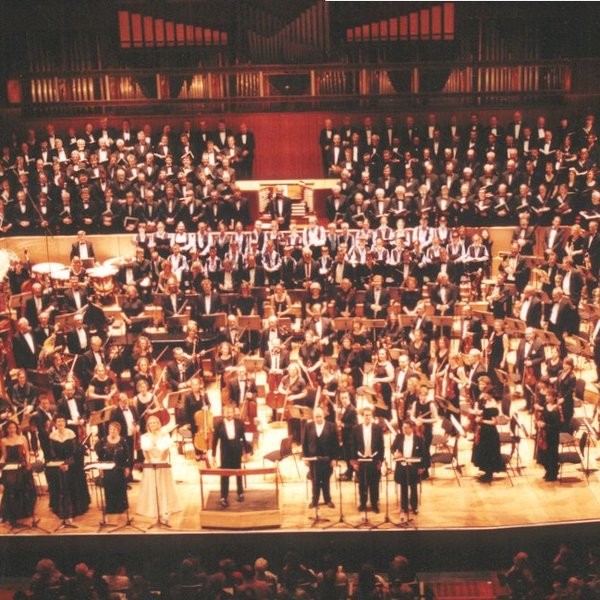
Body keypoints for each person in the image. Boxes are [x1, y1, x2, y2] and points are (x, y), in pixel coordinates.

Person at [137, 415, 180, 524]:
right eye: (150, 423)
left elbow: (166, 450)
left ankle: (166, 508)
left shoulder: (164, 435)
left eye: (154, 423)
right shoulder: (145, 436)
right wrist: (150, 461)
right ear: (148, 426)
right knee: (152, 485)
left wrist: (161, 461)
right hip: (150, 462)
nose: (152, 425)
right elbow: (145, 452)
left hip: (162, 462)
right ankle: (152, 508)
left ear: (158, 424)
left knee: (163, 485)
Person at [46, 415, 90, 523]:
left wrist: (67, 464)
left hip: (72, 464)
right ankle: (62, 510)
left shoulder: (71, 433)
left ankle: (73, 511)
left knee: (71, 479)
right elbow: (52, 453)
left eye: (62, 421)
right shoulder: (52, 435)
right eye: (58, 421)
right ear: (55, 423)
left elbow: (75, 452)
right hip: (58, 465)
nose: (60, 423)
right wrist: (60, 464)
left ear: (65, 423)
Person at [0, 421, 36, 527]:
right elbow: (4, 455)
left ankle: (23, 512)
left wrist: (28, 462)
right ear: (6, 429)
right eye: (9, 428)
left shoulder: (22, 438)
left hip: (21, 465)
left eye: (13, 428)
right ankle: (10, 514)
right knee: (10, 487)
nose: (11, 430)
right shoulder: (3, 440)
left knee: (22, 486)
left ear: (16, 428)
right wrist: (1, 463)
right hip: (10, 465)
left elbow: (27, 453)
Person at [211, 404, 247, 508]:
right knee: (224, 475)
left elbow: (243, 437)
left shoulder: (239, 423)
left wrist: (246, 452)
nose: (229, 414)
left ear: (234, 412)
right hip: (225, 453)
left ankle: (240, 493)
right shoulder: (218, 424)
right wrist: (213, 455)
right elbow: (215, 441)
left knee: (238, 473)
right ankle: (223, 497)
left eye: (230, 412)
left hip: (237, 451)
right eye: (227, 412)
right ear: (223, 413)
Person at [302, 406, 338, 509]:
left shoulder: (331, 426)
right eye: (316, 417)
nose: (318, 419)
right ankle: (315, 500)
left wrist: (334, 459)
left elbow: (335, 444)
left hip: (327, 459)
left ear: (324, 416)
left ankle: (328, 499)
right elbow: (304, 443)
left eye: (320, 416)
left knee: (326, 480)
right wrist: (306, 458)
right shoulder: (308, 426)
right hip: (313, 460)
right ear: (313, 417)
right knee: (315, 481)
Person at [351, 405, 384, 513]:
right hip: (361, 460)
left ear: (372, 416)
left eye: (369, 415)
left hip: (373, 460)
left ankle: (374, 504)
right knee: (362, 484)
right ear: (362, 416)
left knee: (374, 483)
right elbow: (353, 446)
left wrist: (380, 461)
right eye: (366, 415)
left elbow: (381, 446)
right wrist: (354, 462)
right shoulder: (356, 428)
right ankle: (363, 504)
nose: (368, 417)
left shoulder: (378, 428)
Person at [391, 420, 426, 522]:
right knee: (403, 487)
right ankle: (404, 507)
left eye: (406, 427)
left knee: (414, 487)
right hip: (402, 466)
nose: (404, 430)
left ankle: (414, 506)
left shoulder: (419, 439)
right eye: (403, 427)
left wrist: (421, 467)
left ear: (411, 428)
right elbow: (392, 448)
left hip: (414, 467)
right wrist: (395, 454)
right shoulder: (399, 437)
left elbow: (424, 454)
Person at [94, 421, 131, 513]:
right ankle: (110, 507)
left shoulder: (123, 441)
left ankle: (120, 507)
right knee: (109, 487)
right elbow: (100, 455)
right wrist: (101, 468)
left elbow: (127, 455)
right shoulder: (103, 441)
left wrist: (127, 468)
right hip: (107, 468)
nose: (112, 431)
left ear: (118, 431)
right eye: (110, 429)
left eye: (114, 429)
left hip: (119, 468)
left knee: (120, 487)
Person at [471, 393, 503, 483]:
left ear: (490, 395)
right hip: (484, 431)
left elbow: (495, 422)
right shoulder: (484, 403)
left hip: (490, 433)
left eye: (486, 395)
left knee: (488, 453)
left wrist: (482, 420)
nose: (483, 396)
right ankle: (486, 473)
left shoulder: (492, 406)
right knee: (483, 452)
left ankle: (489, 475)